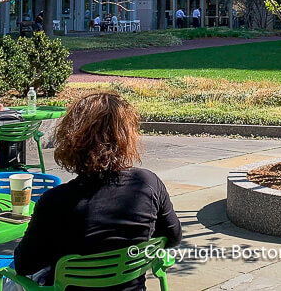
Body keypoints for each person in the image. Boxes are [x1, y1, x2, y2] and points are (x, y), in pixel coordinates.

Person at [13, 92, 181, 291]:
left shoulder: (55, 201)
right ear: (125, 137)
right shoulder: (148, 184)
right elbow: (172, 236)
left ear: (70, 139)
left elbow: (24, 265)